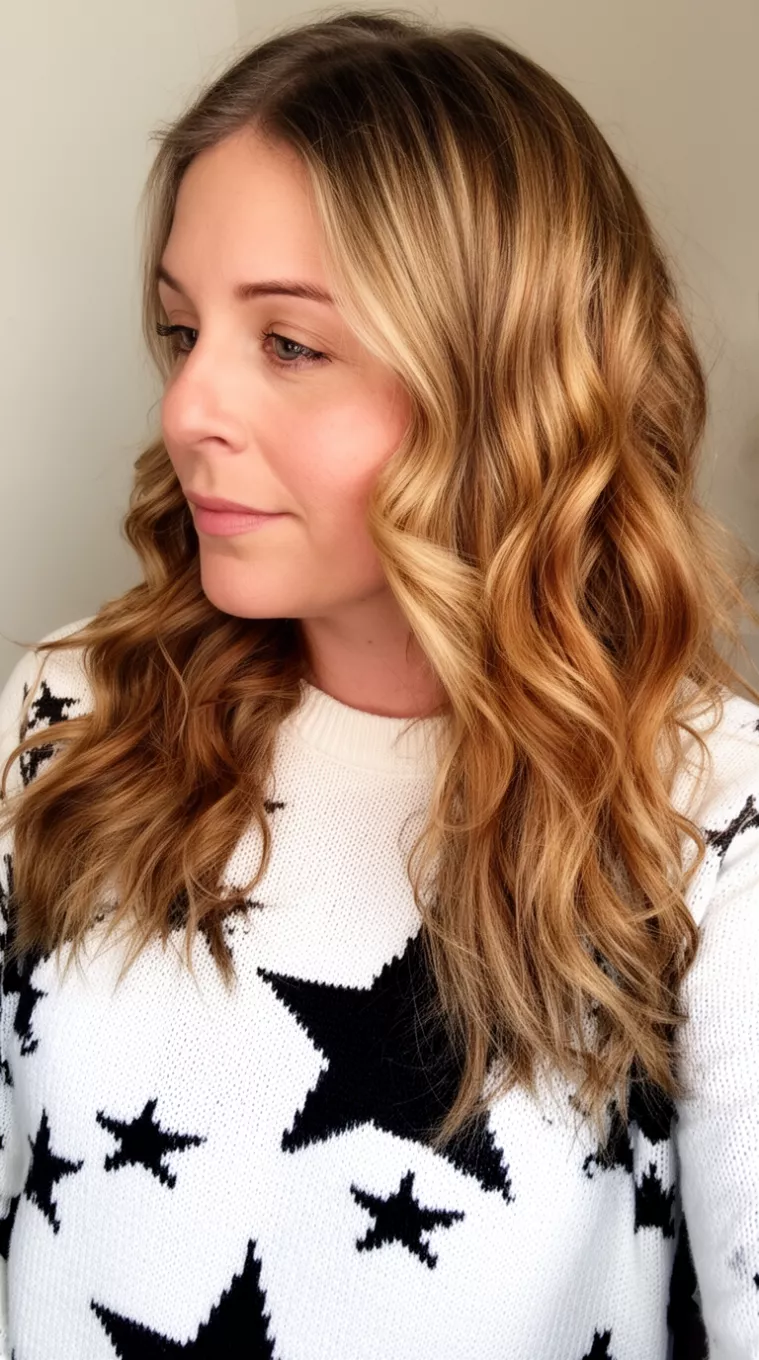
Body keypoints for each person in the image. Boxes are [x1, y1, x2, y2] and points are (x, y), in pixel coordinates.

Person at [0, 9, 758, 1357]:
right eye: (182, 330)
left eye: (290, 345)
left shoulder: (710, 819)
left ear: (503, 384)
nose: (186, 411)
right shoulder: (72, 714)